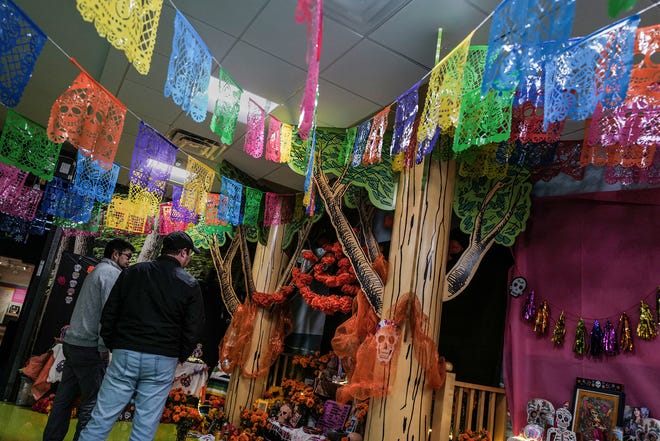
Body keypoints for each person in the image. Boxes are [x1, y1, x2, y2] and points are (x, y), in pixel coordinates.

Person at [79, 231, 205, 441]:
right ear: (183, 252)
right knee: (144, 427)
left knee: (100, 420)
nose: (189, 258)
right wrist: (178, 355)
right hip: (163, 359)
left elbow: (110, 312)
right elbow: (194, 327)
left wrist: (113, 344)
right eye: (189, 253)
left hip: (125, 352)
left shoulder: (133, 272)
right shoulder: (190, 284)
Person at [43, 239, 135, 441]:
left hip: (73, 344)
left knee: (63, 400)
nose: (129, 260)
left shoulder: (96, 271)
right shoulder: (111, 274)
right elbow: (107, 313)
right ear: (115, 254)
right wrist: (103, 346)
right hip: (90, 348)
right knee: (91, 403)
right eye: (127, 256)